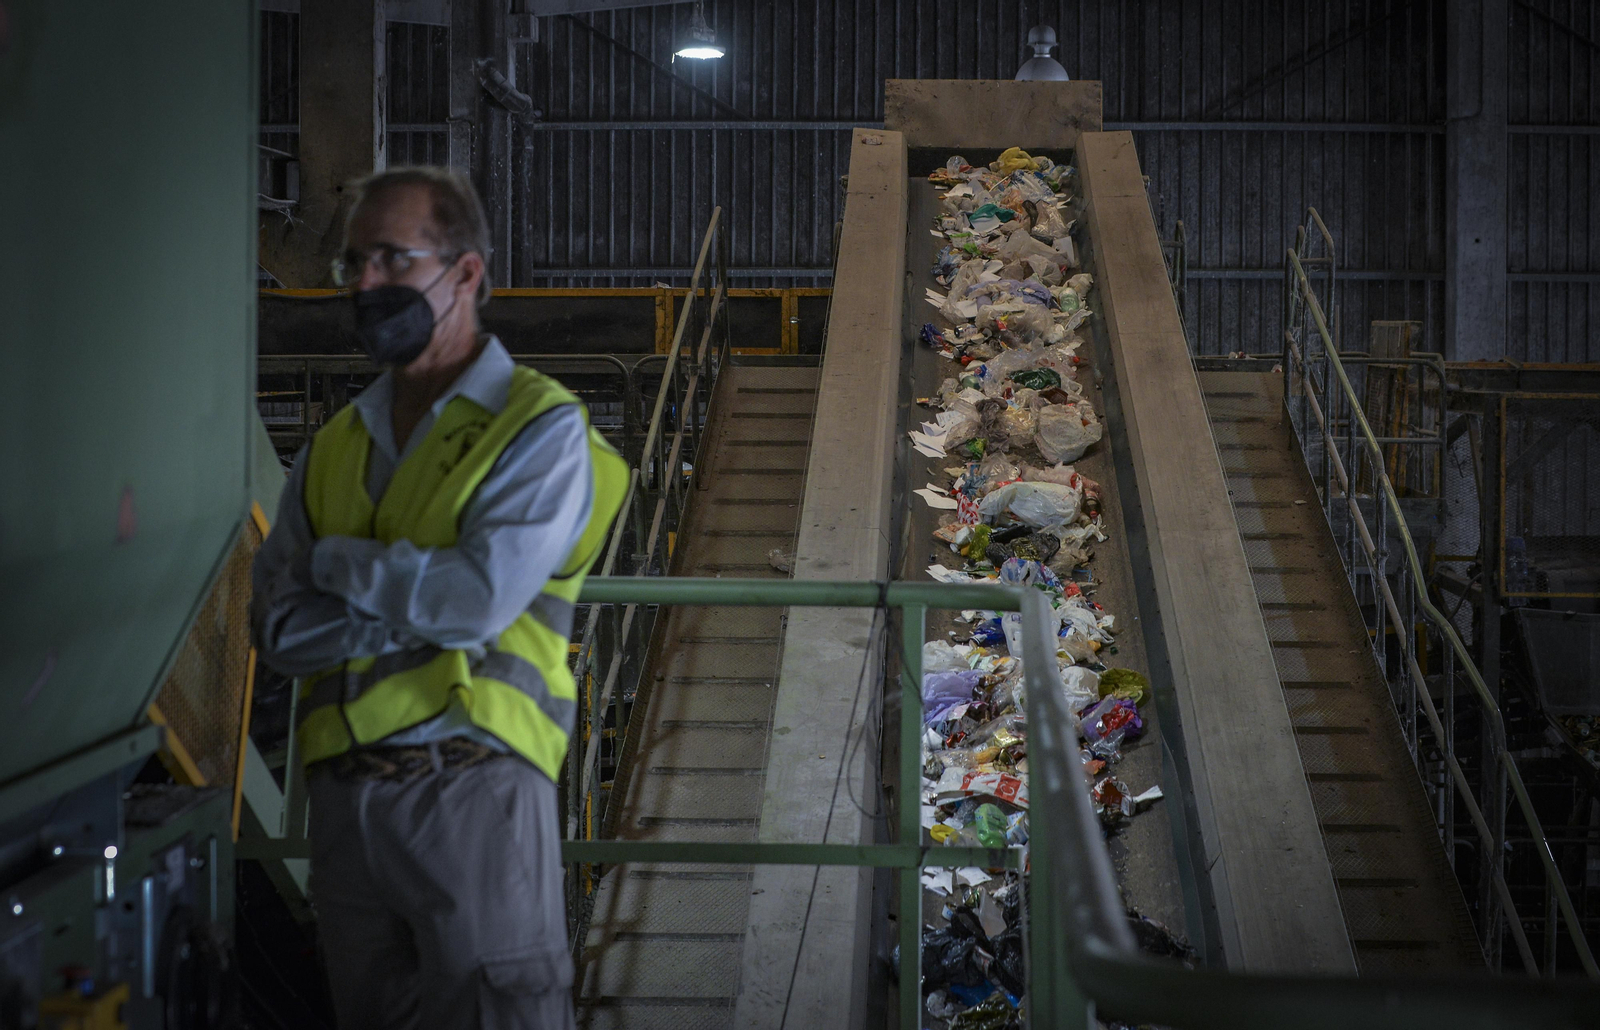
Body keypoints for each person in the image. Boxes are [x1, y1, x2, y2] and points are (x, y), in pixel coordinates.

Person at [251, 166, 626, 1030]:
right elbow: (275, 628)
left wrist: (338, 564)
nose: (364, 284)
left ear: (466, 272)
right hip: (343, 809)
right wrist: (413, 584)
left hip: (475, 792)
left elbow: (474, 604)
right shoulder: (337, 443)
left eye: (391, 258)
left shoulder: (540, 427)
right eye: (354, 262)